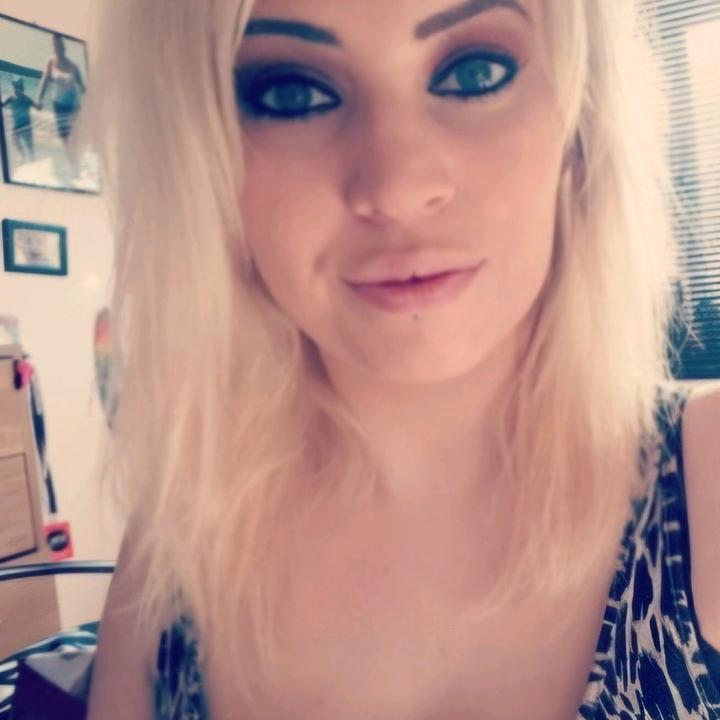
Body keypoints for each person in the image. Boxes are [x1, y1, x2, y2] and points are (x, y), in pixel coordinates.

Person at [82, 0, 720, 718]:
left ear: (578, 123)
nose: (396, 188)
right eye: (292, 93)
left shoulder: (706, 478)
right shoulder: (178, 537)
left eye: (476, 73)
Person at [36, 33, 86, 174]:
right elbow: (44, 81)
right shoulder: (51, 62)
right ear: (53, 47)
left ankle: (76, 162)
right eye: (55, 45)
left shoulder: (73, 65)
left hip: (74, 105)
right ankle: (72, 165)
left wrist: (89, 105)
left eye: (59, 44)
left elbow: (82, 87)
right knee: (64, 136)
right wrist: (39, 99)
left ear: (64, 46)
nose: (58, 47)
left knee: (74, 135)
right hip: (58, 104)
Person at [0, 78, 42, 162]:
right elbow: (38, 107)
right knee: (16, 141)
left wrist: (39, 103)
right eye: (15, 87)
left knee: (27, 144)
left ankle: (29, 158)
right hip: (21, 125)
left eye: (16, 87)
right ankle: (24, 157)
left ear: (21, 88)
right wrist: (39, 102)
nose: (15, 89)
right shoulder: (14, 98)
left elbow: (38, 107)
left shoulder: (18, 98)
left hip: (25, 125)